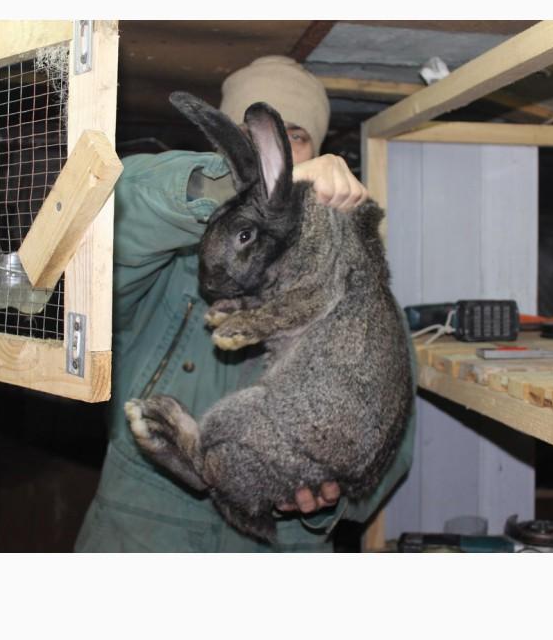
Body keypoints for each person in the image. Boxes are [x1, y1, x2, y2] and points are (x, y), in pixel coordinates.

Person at [75, 55, 416, 552]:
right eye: (248, 140)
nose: (277, 157)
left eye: (296, 136)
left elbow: (390, 452)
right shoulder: (161, 266)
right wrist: (239, 192)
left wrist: (327, 503)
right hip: (142, 536)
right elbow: (110, 202)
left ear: (319, 153)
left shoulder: (360, 290)